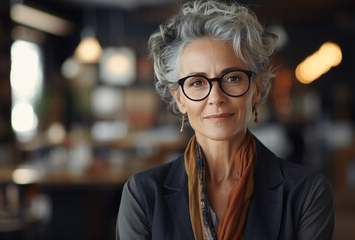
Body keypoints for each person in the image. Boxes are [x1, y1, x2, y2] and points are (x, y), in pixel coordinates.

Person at [116, 1, 334, 239]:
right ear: (179, 98)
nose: (216, 97)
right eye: (197, 83)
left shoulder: (307, 193)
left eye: (232, 78)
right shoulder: (143, 194)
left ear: (257, 88)